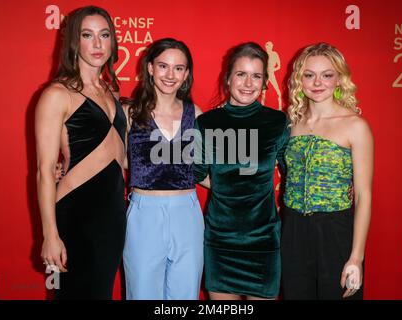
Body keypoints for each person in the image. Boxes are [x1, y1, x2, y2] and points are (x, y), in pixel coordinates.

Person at [35, 6, 127, 299]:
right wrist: (50, 234)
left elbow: (122, 158)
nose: (98, 44)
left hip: (112, 214)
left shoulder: (112, 93)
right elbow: (45, 170)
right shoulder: (56, 95)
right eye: (88, 35)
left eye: (104, 35)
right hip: (76, 215)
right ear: (75, 41)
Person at [193, 42, 289, 300]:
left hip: (264, 241)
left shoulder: (277, 122)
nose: (248, 83)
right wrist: (228, 186)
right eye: (241, 74)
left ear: (265, 81)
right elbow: (196, 171)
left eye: (256, 76)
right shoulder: (207, 123)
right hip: (221, 241)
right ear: (227, 78)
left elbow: (292, 172)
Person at [281, 42, 374, 300]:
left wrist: (356, 257)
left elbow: (364, 196)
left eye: (327, 75)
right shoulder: (292, 124)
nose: (317, 82)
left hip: (335, 231)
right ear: (300, 79)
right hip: (293, 230)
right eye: (309, 75)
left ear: (339, 79)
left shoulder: (355, 125)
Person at [123, 38, 205, 300]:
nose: (171, 75)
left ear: (187, 74)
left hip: (187, 214)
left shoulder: (197, 114)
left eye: (179, 68)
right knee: (142, 294)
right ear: (149, 68)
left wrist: (253, 174)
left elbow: (207, 173)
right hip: (143, 214)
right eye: (163, 66)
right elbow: (114, 161)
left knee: (185, 297)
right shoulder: (129, 113)